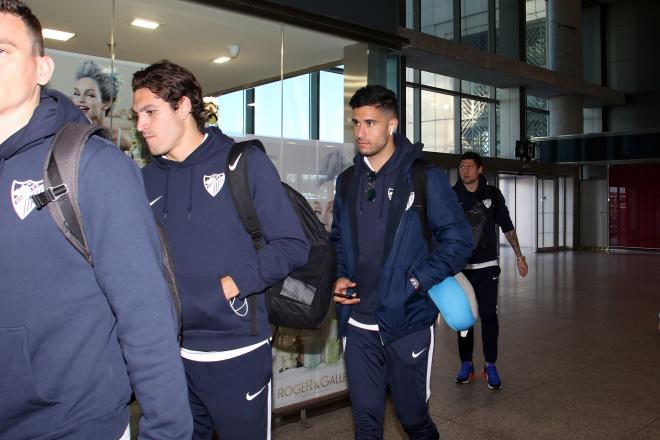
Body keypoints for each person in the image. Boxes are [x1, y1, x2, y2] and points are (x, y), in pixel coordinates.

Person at [0, 2, 192, 439]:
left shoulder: (91, 165)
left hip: (74, 425)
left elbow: (144, 311)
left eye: (1, 50)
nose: (142, 124)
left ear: (42, 68)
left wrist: (167, 431)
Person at [133, 60, 309, 440]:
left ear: (182, 107)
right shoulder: (144, 180)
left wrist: (230, 286)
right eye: (137, 115)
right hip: (170, 355)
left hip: (237, 351)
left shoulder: (243, 163)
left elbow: (293, 245)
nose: (140, 125)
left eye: (150, 112)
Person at [331, 85, 473, 440]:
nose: (360, 132)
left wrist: (415, 282)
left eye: (369, 122)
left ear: (392, 124)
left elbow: (460, 239)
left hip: (407, 320)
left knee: (413, 419)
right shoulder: (347, 181)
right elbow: (337, 240)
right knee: (365, 424)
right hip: (358, 322)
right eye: (355, 124)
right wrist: (338, 276)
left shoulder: (423, 177)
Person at [452, 151, 529, 390]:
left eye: (469, 166)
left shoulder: (492, 195)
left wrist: (519, 257)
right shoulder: (452, 195)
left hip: (487, 267)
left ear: (480, 169)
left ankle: (490, 365)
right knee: (463, 320)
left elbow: (507, 227)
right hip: (460, 269)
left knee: (488, 315)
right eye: (462, 166)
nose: (465, 171)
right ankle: (466, 364)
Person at [71, 59, 132, 151]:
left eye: (90, 95)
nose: (81, 100)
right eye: (77, 93)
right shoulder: (68, 132)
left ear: (106, 103)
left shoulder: (119, 140)